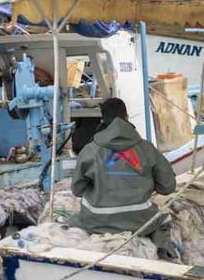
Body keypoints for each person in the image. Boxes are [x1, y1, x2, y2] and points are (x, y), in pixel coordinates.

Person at [69, 98, 177, 250]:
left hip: (96, 221)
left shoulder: (90, 150)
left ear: (103, 120)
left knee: (71, 220)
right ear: (127, 117)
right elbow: (168, 187)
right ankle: (165, 254)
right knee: (163, 220)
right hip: (140, 220)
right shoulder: (147, 148)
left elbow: (77, 190)